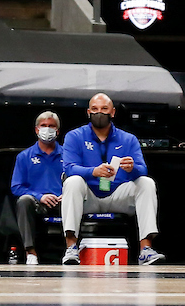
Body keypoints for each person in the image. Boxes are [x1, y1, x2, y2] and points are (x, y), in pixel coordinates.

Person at [60, 93, 163, 266]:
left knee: (147, 183)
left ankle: (146, 250)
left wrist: (132, 168)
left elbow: (142, 169)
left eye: (104, 109)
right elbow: (69, 168)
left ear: (113, 112)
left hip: (118, 195)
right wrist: (94, 171)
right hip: (89, 197)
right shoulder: (74, 136)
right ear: (88, 112)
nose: (99, 112)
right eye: (94, 109)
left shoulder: (128, 139)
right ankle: (71, 248)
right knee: (72, 181)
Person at [9, 111, 64, 265]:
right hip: (38, 203)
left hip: (62, 201)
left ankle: (72, 249)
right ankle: (30, 252)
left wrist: (67, 194)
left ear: (57, 131)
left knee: (77, 200)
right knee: (24, 201)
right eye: (44, 125)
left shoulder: (68, 155)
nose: (47, 129)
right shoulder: (24, 157)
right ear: (36, 129)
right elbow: (16, 187)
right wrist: (40, 196)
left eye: (51, 126)